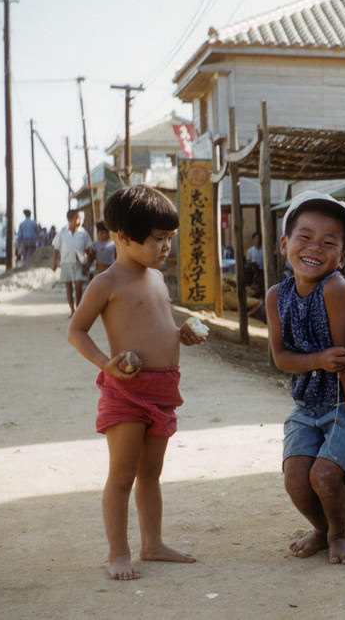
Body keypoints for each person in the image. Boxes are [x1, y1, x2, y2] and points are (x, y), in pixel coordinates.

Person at [66, 184, 206, 581]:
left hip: (163, 391)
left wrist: (182, 335)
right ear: (124, 238)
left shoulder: (156, 279)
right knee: (123, 475)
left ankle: (152, 543)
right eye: (159, 239)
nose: (166, 248)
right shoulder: (107, 283)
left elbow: (157, 328)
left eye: (169, 240)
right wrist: (106, 365)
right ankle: (118, 552)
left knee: (151, 474)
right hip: (127, 392)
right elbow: (76, 331)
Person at [265, 190, 345, 564]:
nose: (315, 247)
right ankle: (322, 529)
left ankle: (340, 534)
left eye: (329, 243)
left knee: (326, 475)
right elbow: (281, 358)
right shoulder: (275, 296)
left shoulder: (335, 288)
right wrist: (317, 359)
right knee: (296, 478)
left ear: (342, 257)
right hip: (307, 402)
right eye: (305, 237)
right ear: (285, 244)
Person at [52, 209, 93, 315]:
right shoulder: (62, 233)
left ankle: (78, 308)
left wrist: (88, 265)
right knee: (68, 287)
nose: (80, 221)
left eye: (81, 219)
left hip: (79, 264)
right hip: (65, 263)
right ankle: (72, 310)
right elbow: (56, 248)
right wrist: (54, 263)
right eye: (78, 218)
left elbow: (89, 250)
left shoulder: (83, 233)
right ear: (70, 219)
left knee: (78, 285)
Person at [245, 231, 265, 298]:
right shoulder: (250, 251)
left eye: (259, 238)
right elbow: (247, 263)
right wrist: (253, 265)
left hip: (263, 271)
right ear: (253, 240)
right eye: (256, 239)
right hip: (253, 272)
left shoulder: (264, 250)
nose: (257, 240)